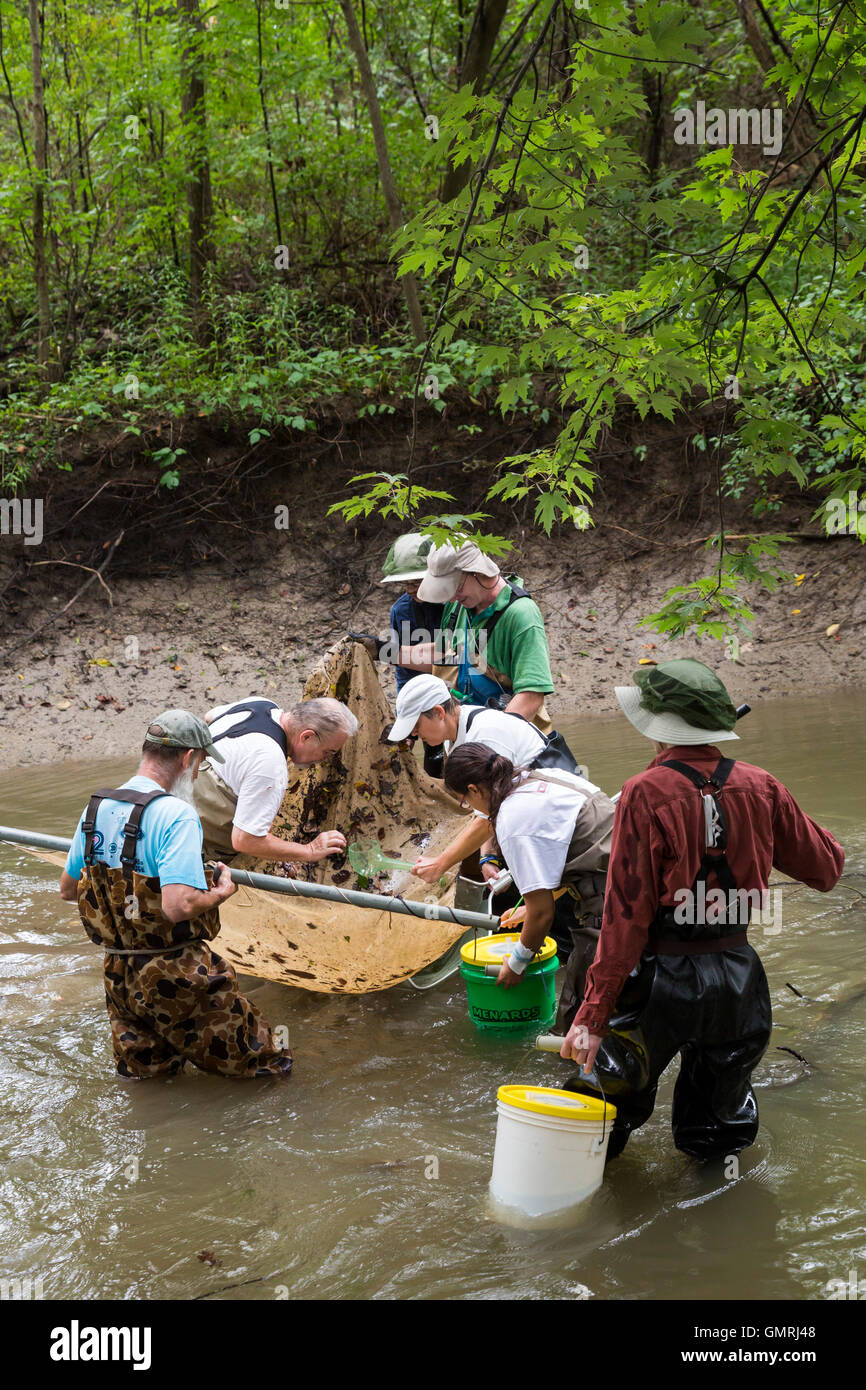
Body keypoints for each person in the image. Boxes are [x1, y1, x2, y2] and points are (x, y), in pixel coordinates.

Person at [559, 658, 845, 1162]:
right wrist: (757, 810)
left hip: (658, 979)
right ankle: (724, 1211)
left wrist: (593, 1012)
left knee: (602, 1102)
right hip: (737, 981)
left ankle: (579, 1210)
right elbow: (827, 868)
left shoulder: (645, 792)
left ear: (657, 726)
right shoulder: (761, 784)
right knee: (720, 1128)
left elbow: (624, 915)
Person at [59, 710, 293, 1080]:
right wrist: (220, 892)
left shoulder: (96, 807)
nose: (197, 773)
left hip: (119, 977)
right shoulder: (177, 815)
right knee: (269, 1063)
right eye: (200, 763)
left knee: (149, 1081)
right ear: (188, 759)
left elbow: (68, 890)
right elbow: (178, 905)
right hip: (179, 974)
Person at [441, 742, 616, 1033]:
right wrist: (526, 909)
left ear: (473, 790)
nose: (470, 807)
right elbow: (573, 854)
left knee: (580, 1010)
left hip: (613, 894)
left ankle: (572, 1066)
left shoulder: (512, 818)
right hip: (637, 873)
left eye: (464, 801)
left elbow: (543, 914)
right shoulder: (541, 777)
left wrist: (517, 964)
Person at [393, 674, 582, 888]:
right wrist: (488, 856)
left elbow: (488, 815)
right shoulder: (454, 738)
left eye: (416, 725)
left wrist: (440, 863)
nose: (414, 733)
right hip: (532, 814)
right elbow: (485, 807)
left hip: (562, 819)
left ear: (439, 712)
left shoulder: (485, 734)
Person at [397, 539, 555, 732]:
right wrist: (382, 651)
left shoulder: (521, 614)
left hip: (512, 743)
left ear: (477, 572)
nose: (452, 596)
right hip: (470, 738)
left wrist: (489, 740)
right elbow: (442, 655)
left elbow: (531, 695)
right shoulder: (458, 607)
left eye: (456, 587)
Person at [192, 695, 358, 863]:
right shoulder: (271, 765)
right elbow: (244, 840)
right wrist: (309, 850)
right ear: (307, 736)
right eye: (328, 752)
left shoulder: (262, 704)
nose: (326, 759)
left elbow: (210, 716)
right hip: (190, 839)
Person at [378, 532, 445, 694]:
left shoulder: (459, 604)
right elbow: (403, 666)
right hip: (420, 685)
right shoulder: (401, 611)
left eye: (415, 583)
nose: (409, 590)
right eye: (404, 583)